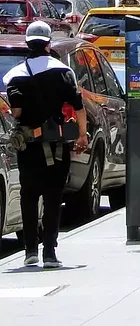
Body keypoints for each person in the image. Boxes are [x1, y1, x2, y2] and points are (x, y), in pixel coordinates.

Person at [3, 22, 88, 268]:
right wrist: (82, 135)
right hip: (58, 144)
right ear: (49, 43)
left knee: (29, 196)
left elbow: (17, 112)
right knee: (53, 197)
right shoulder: (63, 71)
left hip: (29, 147)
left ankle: (30, 250)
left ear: (28, 43)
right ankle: (49, 252)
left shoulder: (15, 75)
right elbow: (79, 108)